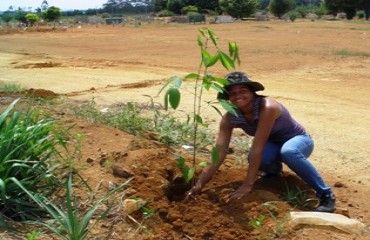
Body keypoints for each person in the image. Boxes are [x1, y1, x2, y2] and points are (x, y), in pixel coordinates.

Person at [185, 71, 336, 213]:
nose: (238, 96)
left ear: (252, 92)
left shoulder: (267, 107)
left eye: (243, 91)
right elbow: (219, 152)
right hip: (272, 143)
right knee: (255, 158)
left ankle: (326, 194)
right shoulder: (230, 117)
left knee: (288, 152)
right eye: (233, 93)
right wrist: (199, 184)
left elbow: (257, 147)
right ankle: (273, 172)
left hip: (298, 140)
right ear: (228, 98)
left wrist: (247, 185)